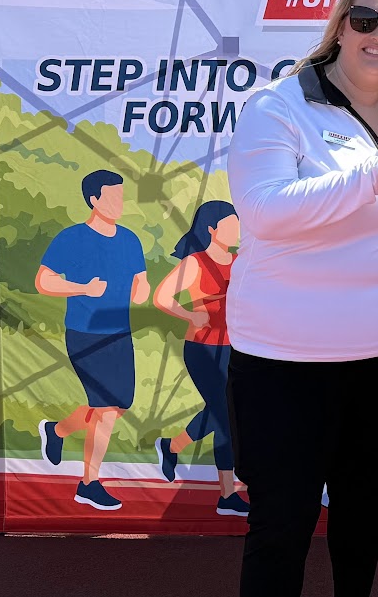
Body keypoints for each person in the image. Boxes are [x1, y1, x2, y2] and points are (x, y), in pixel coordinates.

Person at [225, 0, 378, 597]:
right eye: (367, 21)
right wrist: (372, 176)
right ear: (340, 27)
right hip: (285, 359)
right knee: (281, 524)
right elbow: (265, 211)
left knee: (360, 510)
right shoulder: (279, 104)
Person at [35, 169, 150, 511]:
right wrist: (83, 288)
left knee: (118, 404)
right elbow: (44, 281)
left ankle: (57, 431)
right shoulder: (73, 239)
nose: (119, 202)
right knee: (105, 410)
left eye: (121, 195)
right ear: (94, 200)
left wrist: (141, 291)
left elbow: (140, 282)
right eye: (112, 196)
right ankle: (89, 483)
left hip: (119, 333)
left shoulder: (130, 239)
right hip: (85, 333)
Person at [152, 199, 246, 517]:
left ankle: (172, 446)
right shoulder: (195, 263)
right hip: (204, 349)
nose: (237, 228)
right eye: (231, 223)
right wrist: (190, 315)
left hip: (236, 347)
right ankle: (227, 495)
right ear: (212, 229)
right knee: (225, 418)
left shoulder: (239, 259)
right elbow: (162, 296)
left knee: (222, 409)